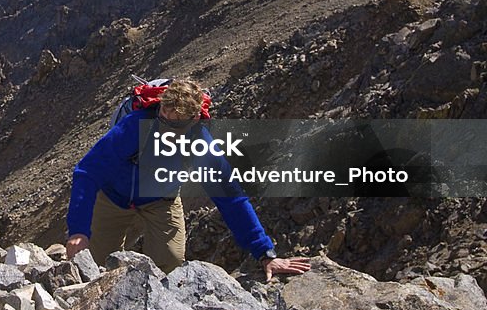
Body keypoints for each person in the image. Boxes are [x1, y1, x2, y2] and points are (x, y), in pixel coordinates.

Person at [65, 78, 310, 279]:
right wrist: (78, 230)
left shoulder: (200, 143)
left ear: (194, 120)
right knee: (94, 267)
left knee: (168, 264)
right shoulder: (135, 126)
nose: (166, 128)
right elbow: (88, 172)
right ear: (160, 106)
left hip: (161, 200)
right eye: (163, 118)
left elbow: (231, 197)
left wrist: (265, 253)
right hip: (112, 198)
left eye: (175, 125)